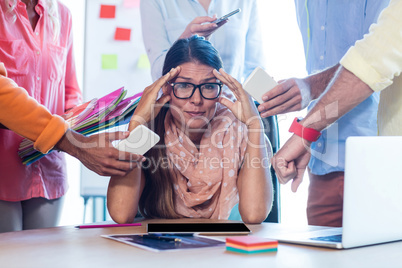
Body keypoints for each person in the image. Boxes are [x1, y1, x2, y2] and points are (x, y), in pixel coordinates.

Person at [0, 0, 140, 233]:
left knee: (42, 259)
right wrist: (77, 143)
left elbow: (70, 92)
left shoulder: (62, 15)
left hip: (49, 167)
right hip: (4, 168)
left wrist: (89, 123)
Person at [107, 36, 273, 224]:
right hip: (157, 250)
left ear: (221, 88)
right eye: (184, 85)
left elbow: (254, 214)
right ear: (166, 89)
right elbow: (120, 213)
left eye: (209, 86)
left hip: (219, 248)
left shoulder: (237, 129)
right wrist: (137, 124)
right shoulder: (151, 128)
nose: (196, 99)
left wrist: (255, 125)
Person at [257, 0, 389, 227]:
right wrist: (309, 134)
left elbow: (377, 57)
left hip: (377, 163)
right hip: (322, 160)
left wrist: (310, 90)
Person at [0, 62, 143, 175]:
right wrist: (78, 144)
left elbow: (70, 90)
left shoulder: (63, 24)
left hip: (52, 165)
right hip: (8, 164)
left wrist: (81, 122)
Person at [140, 0, 266, 83]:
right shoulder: (154, 2)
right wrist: (184, 43)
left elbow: (255, 69)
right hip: (180, 114)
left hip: (232, 113)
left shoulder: (246, 2)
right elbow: (158, 74)